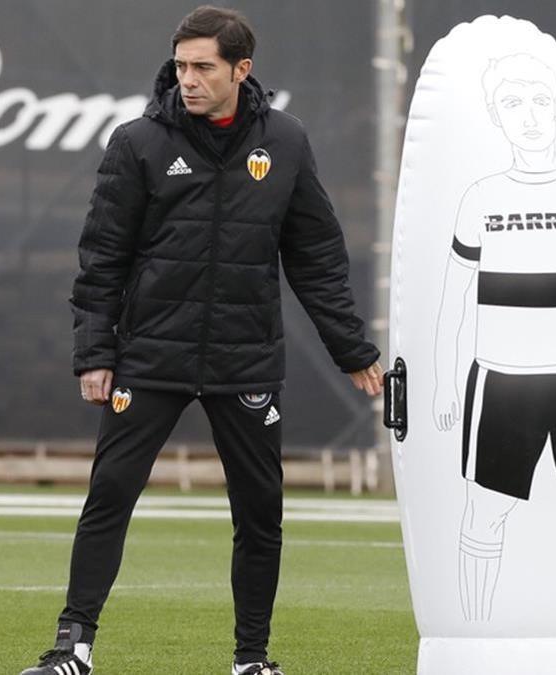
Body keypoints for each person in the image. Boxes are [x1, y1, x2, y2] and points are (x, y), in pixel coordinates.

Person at [21, 6, 383, 674]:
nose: (187, 79)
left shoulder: (288, 142)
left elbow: (316, 256)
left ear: (241, 70)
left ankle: (252, 659)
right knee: (110, 498)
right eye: (181, 66)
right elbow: (102, 256)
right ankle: (72, 647)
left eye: (203, 67)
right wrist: (96, 352)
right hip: (150, 357)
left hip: (244, 360)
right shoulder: (139, 142)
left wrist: (352, 347)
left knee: (260, 514)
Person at [431, 53, 556, 621]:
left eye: (540, 101)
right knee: (485, 510)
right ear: (496, 116)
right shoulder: (481, 198)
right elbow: (453, 300)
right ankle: (475, 630)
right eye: (513, 103)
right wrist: (442, 384)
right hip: (503, 381)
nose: (529, 116)